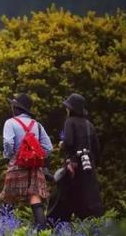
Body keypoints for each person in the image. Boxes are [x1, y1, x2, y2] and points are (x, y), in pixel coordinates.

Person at [0, 93, 53, 231]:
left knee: (9, 197)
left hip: (16, 164)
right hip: (34, 167)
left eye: (13, 105)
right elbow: (49, 148)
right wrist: (36, 156)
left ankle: (6, 231)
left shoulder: (10, 123)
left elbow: (9, 143)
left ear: (17, 108)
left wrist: (10, 156)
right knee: (35, 197)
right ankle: (42, 231)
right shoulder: (37, 125)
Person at [47, 93, 103, 223]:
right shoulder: (89, 125)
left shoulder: (69, 122)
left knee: (63, 198)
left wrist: (62, 145)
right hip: (88, 167)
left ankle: (54, 226)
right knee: (89, 199)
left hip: (73, 166)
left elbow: (69, 142)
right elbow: (96, 147)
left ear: (71, 109)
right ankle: (92, 226)